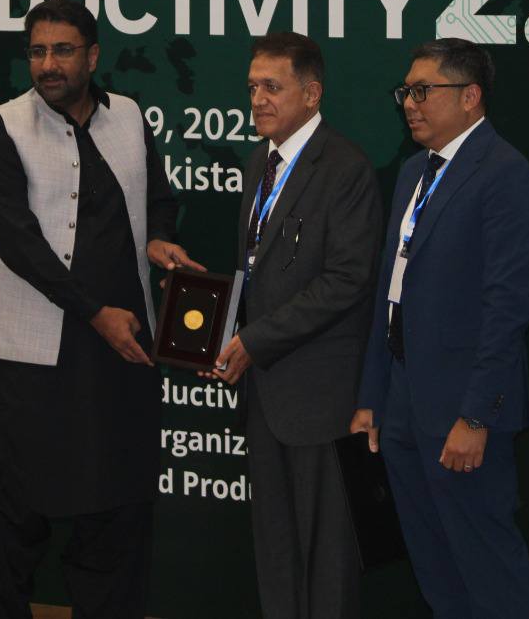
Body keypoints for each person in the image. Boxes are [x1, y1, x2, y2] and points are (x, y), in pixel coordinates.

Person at [0, 0, 200, 619]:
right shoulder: (1, 128)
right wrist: (93, 312)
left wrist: (158, 239)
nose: (48, 65)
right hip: (33, 360)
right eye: (37, 52)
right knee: (11, 519)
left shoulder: (130, 116)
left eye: (62, 51)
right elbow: (17, 243)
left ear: (92, 56)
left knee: (117, 511)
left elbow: (160, 198)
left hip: (121, 354)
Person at [352, 38, 529, 619]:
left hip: (462, 410)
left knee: (487, 567)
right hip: (402, 402)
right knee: (433, 564)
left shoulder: (505, 174)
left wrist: (476, 416)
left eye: (422, 91)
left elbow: (506, 309)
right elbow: (390, 292)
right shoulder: (414, 171)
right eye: (406, 92)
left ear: (470, 96)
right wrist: (371, 398)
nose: (409, 104)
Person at [210, 31, 382, 619]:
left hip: (322, 399)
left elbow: (346, 281)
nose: (257, 99)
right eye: (252, 87)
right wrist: (218, 328)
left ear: (311, 94)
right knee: (276, 551)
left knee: (328, 558)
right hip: (265, 397)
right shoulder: (259, 161)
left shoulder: (346, 168)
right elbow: (257, 270)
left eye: (272, 87)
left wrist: (254, 341)